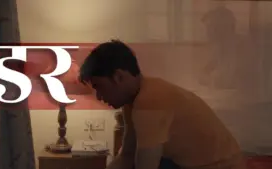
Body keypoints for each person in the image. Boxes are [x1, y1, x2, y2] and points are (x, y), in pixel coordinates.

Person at [79, 40, 246, 169]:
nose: (99, 96)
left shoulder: (150, 101)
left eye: (99, 87)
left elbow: (145, 166)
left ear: (119, 77)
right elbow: (127, 156)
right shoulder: (134, 101)